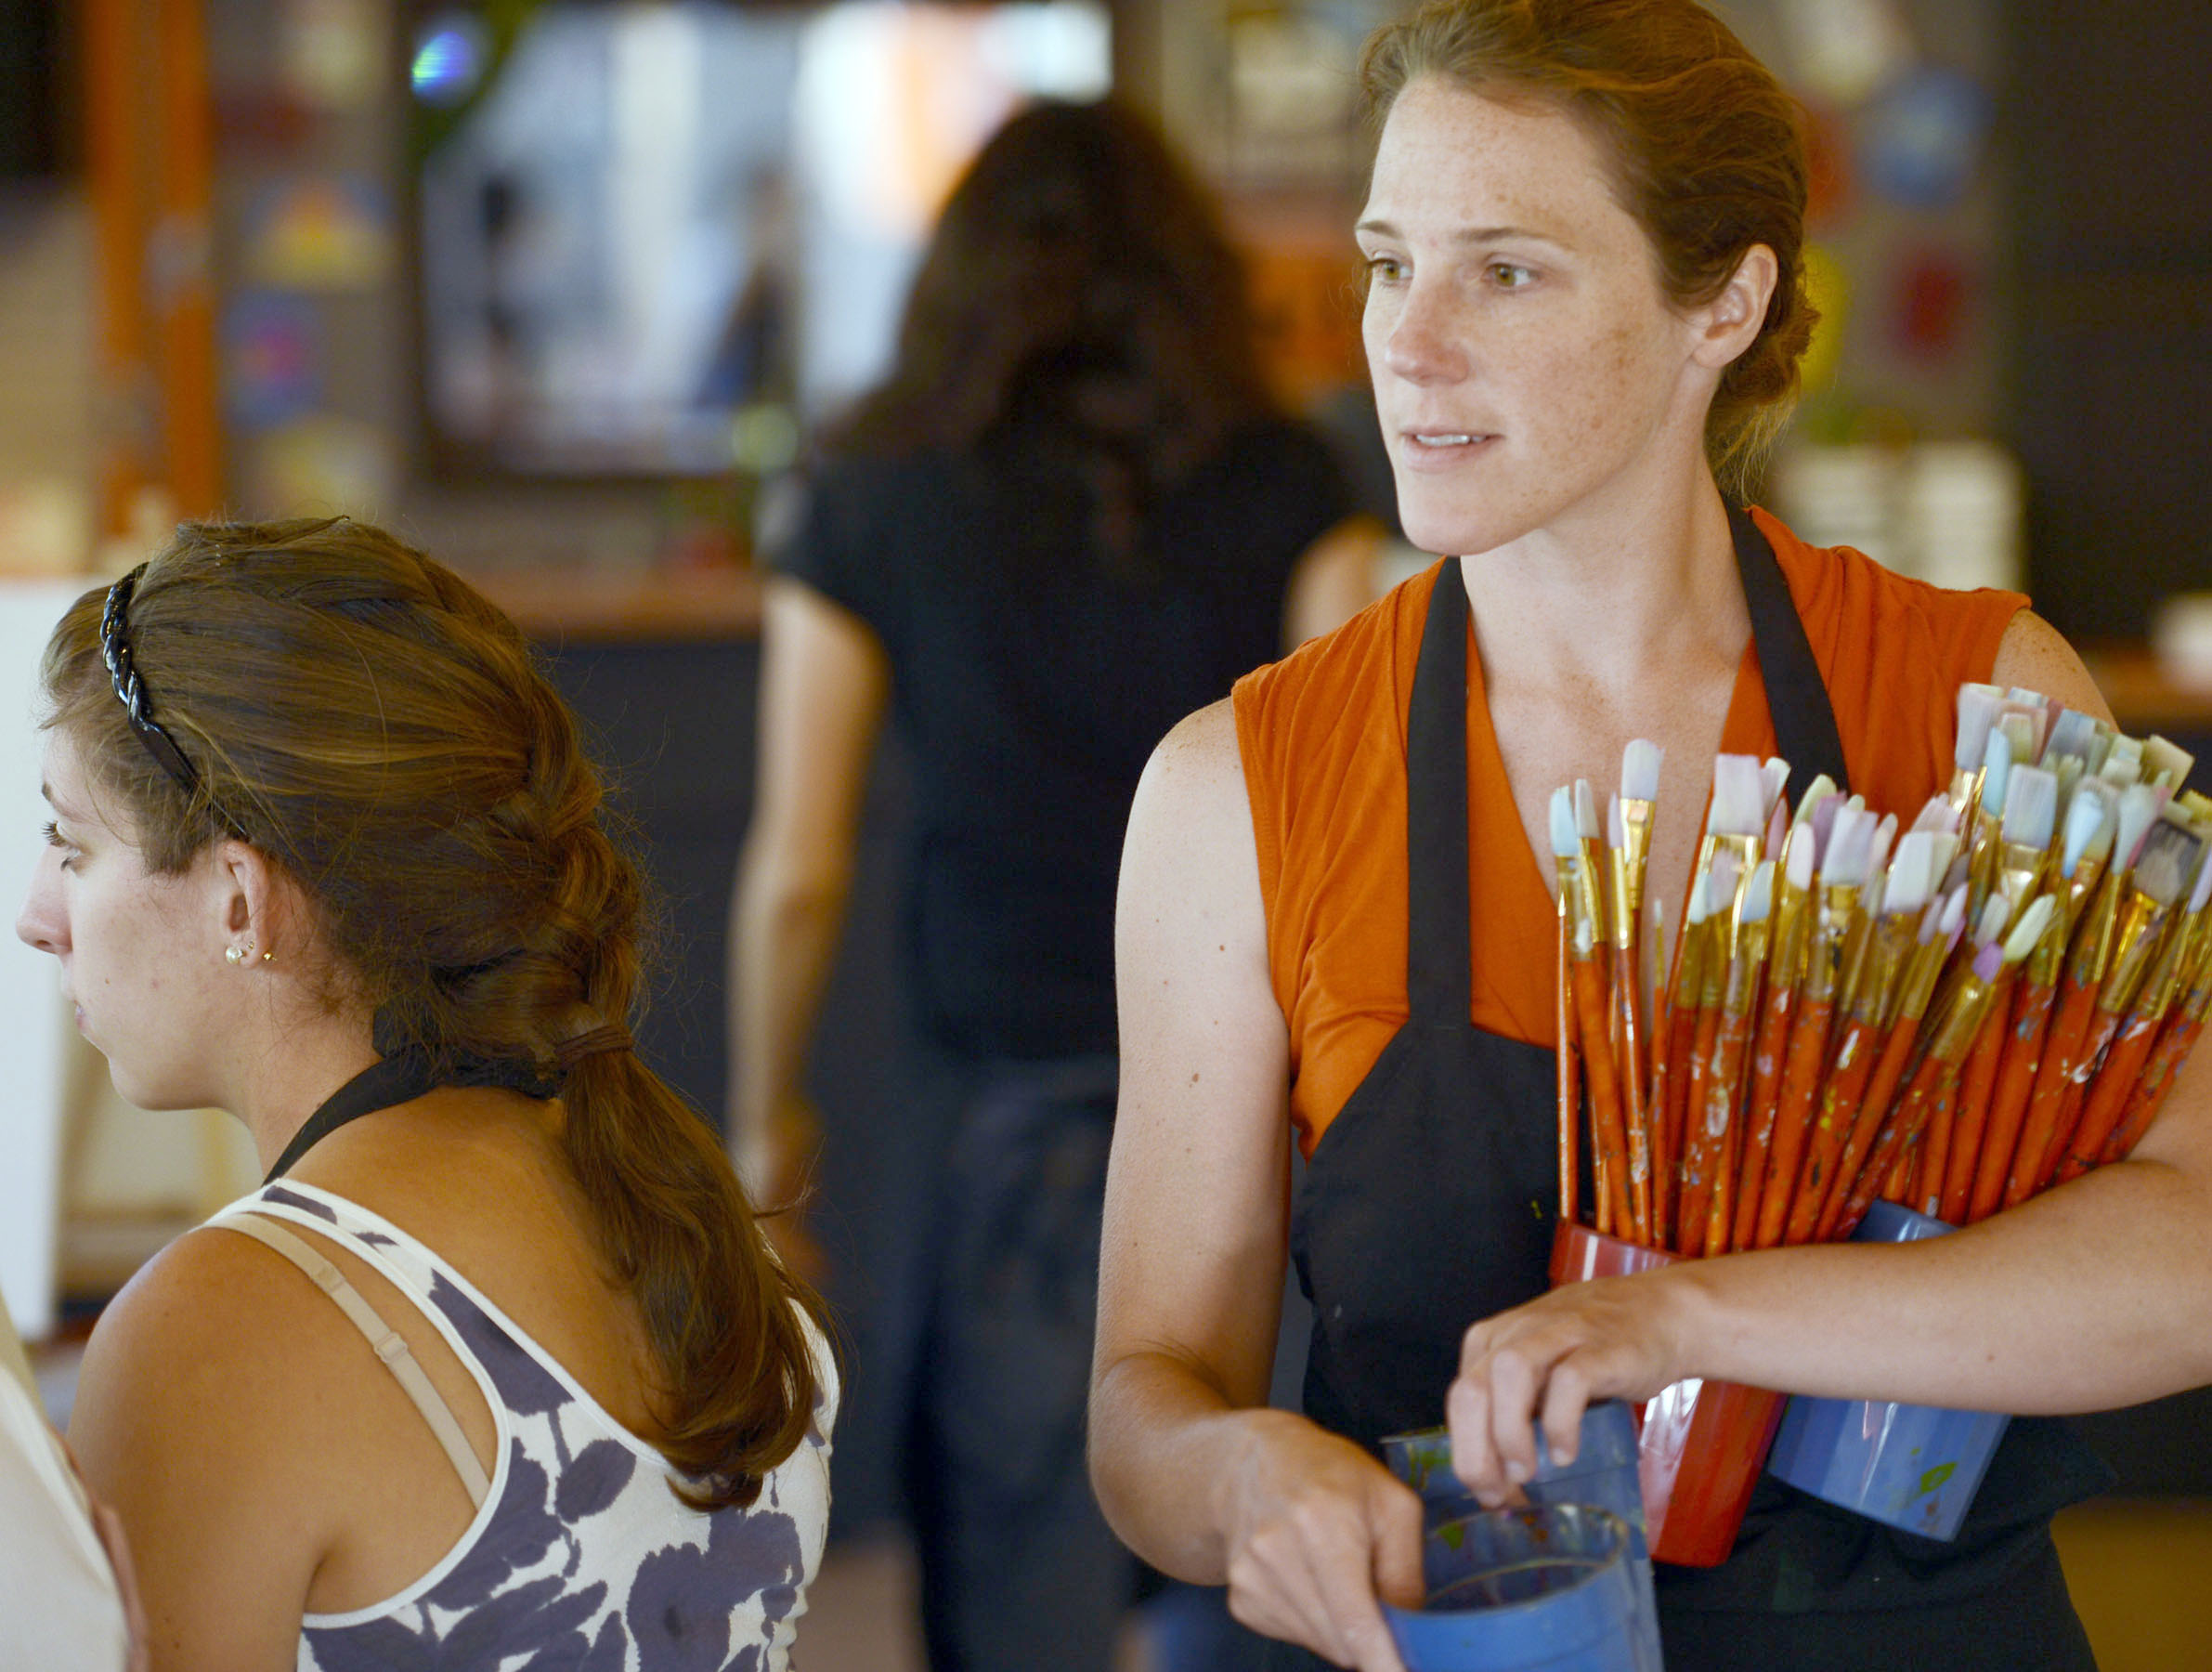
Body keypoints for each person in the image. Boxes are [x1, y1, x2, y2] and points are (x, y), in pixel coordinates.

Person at [1089, 3, 2212, 1668]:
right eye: (1390, 264)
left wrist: (1681, 1313)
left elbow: (2187, 1249)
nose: (1408, 342)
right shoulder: (1236, 790)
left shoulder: (1975, 703)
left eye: (1508, 270)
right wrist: (1237, 1475)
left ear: (1724, 301)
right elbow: (1143, 1408)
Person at [730, 98, 1376, 1672]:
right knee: (1262, 1566)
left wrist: (764, 1124)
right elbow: (1361, 812)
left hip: (1016, 1124)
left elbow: (799, 867)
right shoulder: (1293, 482)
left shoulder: (871, 494)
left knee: (1016, 1588)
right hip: (1258, 1106)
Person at [20, 517, 835, 1671]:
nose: (36, 917)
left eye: (71, 845)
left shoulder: (221, 1331)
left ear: (239, 899)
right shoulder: (675, 1208)